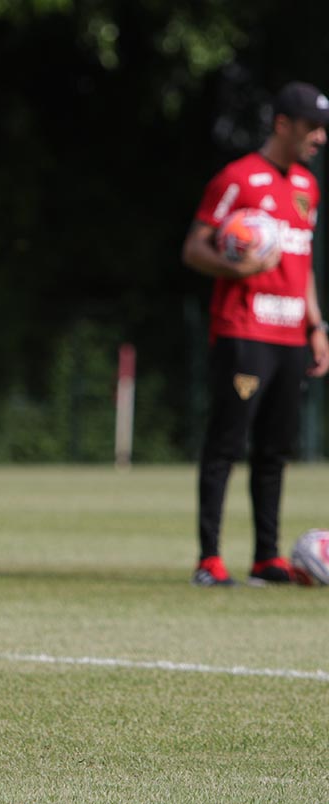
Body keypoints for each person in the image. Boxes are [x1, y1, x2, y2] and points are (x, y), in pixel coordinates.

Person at [181, 80, 329, 587]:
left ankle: (267, 555)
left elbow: (302, 261)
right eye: (312, 127)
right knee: (226, 443)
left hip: (291, 334)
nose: (319, 138)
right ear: (283, 124)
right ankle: (210, 558)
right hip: (245, 330)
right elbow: (195, 248)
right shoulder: (238, 179)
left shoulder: (308, 187)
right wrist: (236, 269)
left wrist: (316, 324)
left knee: (275, 449)